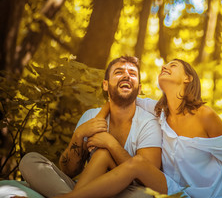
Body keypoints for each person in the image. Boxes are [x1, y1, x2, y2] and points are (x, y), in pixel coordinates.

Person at [54, 59, 222, 198]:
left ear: (187, 79)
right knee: (123, 160)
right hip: (171, 190)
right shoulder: (157, 110)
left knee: (137, 163)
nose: (165, 66)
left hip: (201, 197)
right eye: (165, 64)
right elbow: (118, 99)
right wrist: (100, 120)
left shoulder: (206, 116)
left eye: (173, 66)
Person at [19, 56, 162, 198]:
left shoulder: (148, 123)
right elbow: (68, 171)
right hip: (85, 188)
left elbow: (148, 178)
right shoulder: (90, 117)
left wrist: (110, 144)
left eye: (132, 73)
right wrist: (79, 134)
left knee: (143, 196)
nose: (126, 75)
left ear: (139, 89)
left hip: (125, 192)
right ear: (105, 85)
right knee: (30, 160)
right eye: (119, 72)